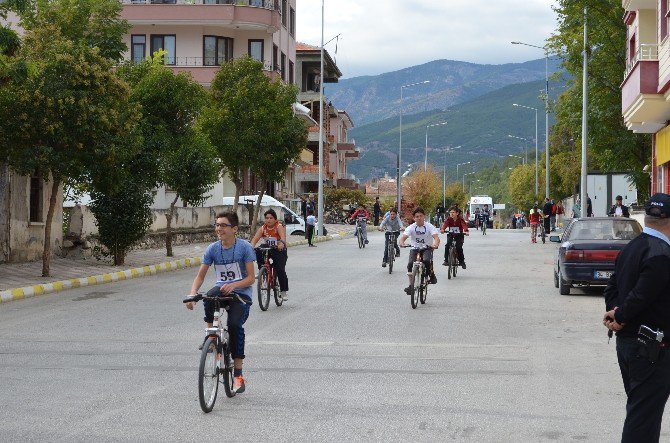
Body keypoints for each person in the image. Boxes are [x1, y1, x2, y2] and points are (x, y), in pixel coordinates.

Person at [603, 193, 670, 442]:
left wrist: (616, 313)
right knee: (642, 420)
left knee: (642, 413)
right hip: (651, 348)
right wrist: (620, 315)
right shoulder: (661, 253)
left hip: (629, 345)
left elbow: (612, 289)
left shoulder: (631, 248)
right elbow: (643, 294)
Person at [185, 212, 255, 394]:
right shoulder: (213, 249)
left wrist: (234, 286)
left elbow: (250, 278)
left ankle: (238, 375)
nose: (219, 229)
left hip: (241, 294)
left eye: (223, 225)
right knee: (208, 297)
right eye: (217, 225)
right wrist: (192, 294)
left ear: (234, 229)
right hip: (221, 290)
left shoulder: (244, 247)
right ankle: (211, 335)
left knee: (234, 325)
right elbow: (200, 276)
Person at [250, 209, 289, 301]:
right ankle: (262, 270)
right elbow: (255, 239)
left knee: (280, 269)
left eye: (271, 218)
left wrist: (281, 244)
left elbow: (283, 237)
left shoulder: (278, 226)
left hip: (278, 248)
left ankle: (283, 291)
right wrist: (251, 247)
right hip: (268, 247)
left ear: (275, 219)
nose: (268, 220)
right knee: (258, 250)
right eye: (267, 218)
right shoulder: (263, 228)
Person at [399, 207, 439, 294]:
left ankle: (431, 275)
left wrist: (435, 244)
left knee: (427, 260)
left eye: (421, 216)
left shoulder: (429, 226)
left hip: (427, 248)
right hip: (415, 248)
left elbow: (436, 237)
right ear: (414, 218)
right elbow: (403, 238)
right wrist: (401, 243)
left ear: (424, 217)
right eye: (417, 216)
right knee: (410, 264)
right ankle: (411, 286)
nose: (419, 218)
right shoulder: (411, 227)